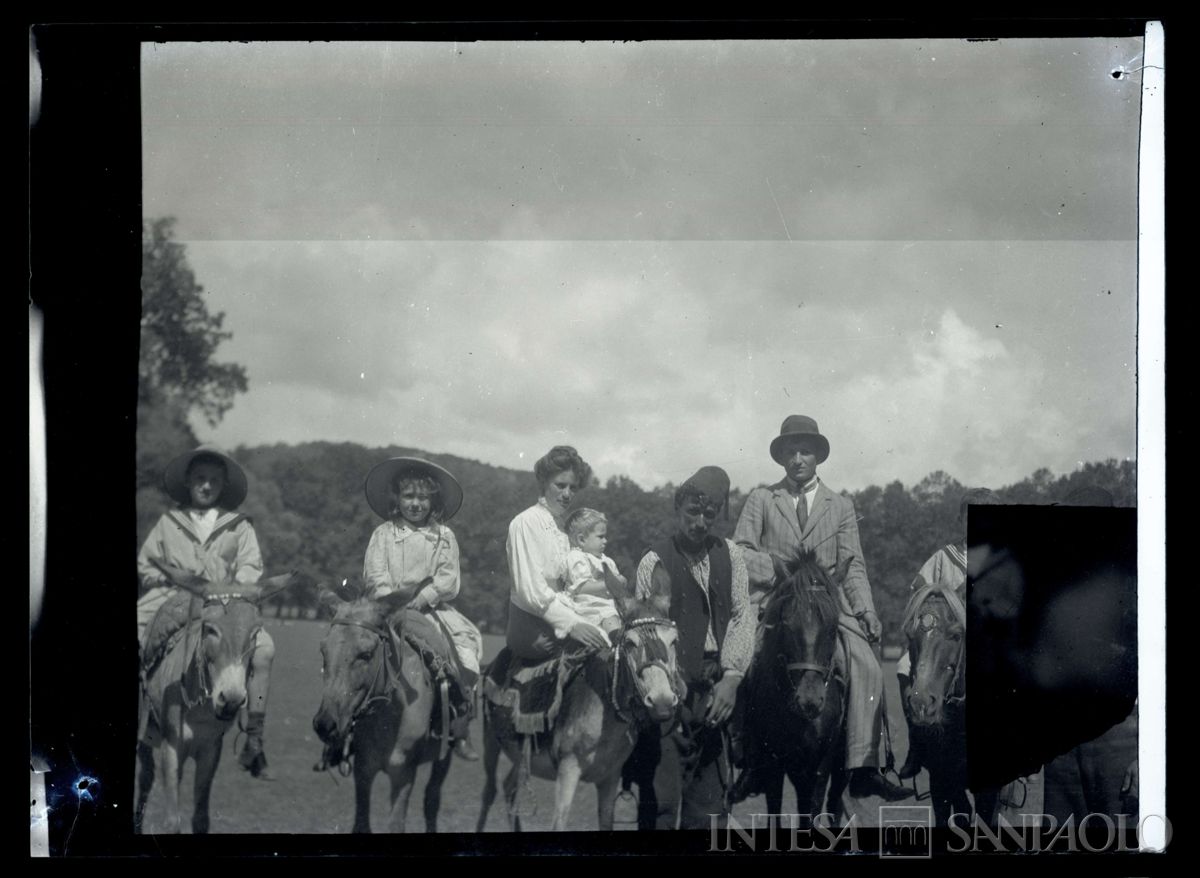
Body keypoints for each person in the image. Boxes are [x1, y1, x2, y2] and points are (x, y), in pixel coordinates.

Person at [730, 415, 909, 807]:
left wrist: (866, 611)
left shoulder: (840, 505)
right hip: (777, 602)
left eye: (805, 451)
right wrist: (775, 566)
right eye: (790, 451)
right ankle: (749, 760)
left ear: (817, 457)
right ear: (781, 457)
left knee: (864, 662)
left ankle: (865, 765)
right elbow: (739, 552)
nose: (798, 458)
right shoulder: (762, 499)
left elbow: (854, 564)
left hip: (828, 605)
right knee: (743, 656)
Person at [137, 446, 276, 780]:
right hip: (173, 596)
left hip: (222, 601)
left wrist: (233, 586)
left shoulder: (238, 525)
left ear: (223, 485)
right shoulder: (169, 523)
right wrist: (163, 576)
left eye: (214, 480)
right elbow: (146, 564)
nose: (206, 486)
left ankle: (254, 738)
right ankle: (146, 723)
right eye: (200, 479)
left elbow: (250, 566)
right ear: (188, 482)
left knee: (265, 650)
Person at [630, 466, 755, 829]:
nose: (700, 522)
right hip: (667, 693)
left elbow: (741, 617)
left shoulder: (729, 556)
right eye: (692, 513)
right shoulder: (654, 562)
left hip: (715, 690)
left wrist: (731, 679)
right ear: (677, 510)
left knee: (709, 809)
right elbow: (644, 632)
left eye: (709, 514)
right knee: (661, 804)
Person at [362, 457, 485, 761]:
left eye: (422, 498)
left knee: (465, 657)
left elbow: (448, 578)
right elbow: (374, 574)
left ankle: (458, 725)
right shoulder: (384, 534)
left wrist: (423, 597)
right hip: (387, 609)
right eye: (408, 496)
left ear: (433, 501)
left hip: (430, 610)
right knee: (351, 654)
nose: (415, 504)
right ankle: (340, 727)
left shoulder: (443, 536)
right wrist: (390, 599)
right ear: (397, 498)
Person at [895, 487, 1002, 780]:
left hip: (992, 644)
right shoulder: (945, 558)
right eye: (971, 518)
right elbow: (919, 594)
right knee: (904, 665)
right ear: (960, 520)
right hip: (948, 645)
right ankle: (917, 744)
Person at [505, 446, 610, 660]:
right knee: (597, 649)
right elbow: (531, 592)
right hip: (531, 620)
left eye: (572, 488)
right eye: (560, 485)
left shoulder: (564, 527)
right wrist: (572, 624)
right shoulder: (526, 522)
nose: (567, 494)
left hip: (566, 610)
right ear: (544, 483)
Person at [562, 508, 625, 644]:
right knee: (610, 619)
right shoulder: (577, 557)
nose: (605, 541)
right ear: (582, 540)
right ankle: (618, 642)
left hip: (610, 605)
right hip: (588, 607)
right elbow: (582, 587)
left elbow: (618, 584)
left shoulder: (607, 560)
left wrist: (621, 582)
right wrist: (610, 583)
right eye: (600, 536)